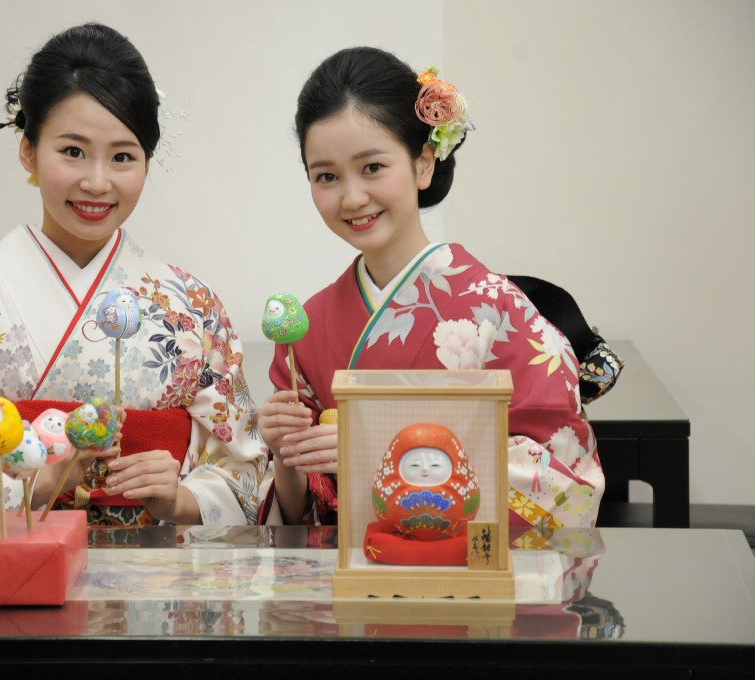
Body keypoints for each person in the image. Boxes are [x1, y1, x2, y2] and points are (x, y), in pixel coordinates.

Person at [0, 23, 266, 526]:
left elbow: (249, 476)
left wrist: (179, 499)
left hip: (156, 571)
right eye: (72, 151)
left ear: (147, 163)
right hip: (15, 562)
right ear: (29, 150)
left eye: (123, 156)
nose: (97, 181)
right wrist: (36, 483)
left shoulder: (192, 306)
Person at [257, 47, 604, 529]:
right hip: (347, 571)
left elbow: (566, 486)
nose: (352, 197)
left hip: (464, 569)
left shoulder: (500, 313)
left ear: (422, 164)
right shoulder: (308, 330)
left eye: (372, 167)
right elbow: (299, 520)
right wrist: (286, 458)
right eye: (327, 176)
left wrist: (378, 457)